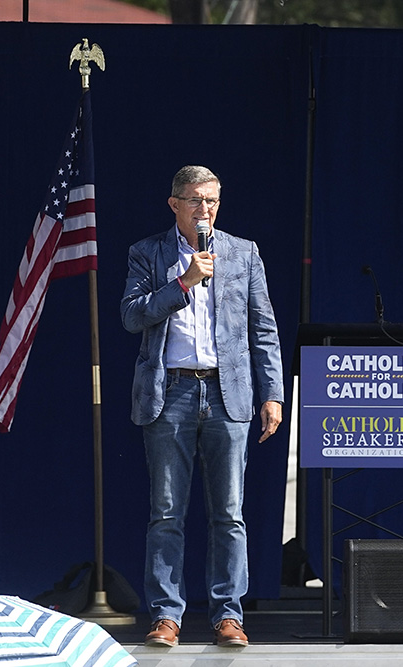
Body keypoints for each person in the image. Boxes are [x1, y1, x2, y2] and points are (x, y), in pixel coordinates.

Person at [121, 165, 284, 648]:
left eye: (212, 201)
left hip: (226, 392)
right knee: (167, 511)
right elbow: (131, 316)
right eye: (195, 200)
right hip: (169, 393)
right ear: (174, 204)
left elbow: (263, 329)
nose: (205, 210)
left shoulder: (243, 252)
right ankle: (167, 616)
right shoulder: (147, 253)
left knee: (228, 513)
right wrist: (183, 283)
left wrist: (272, 393)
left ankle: (228, 616)